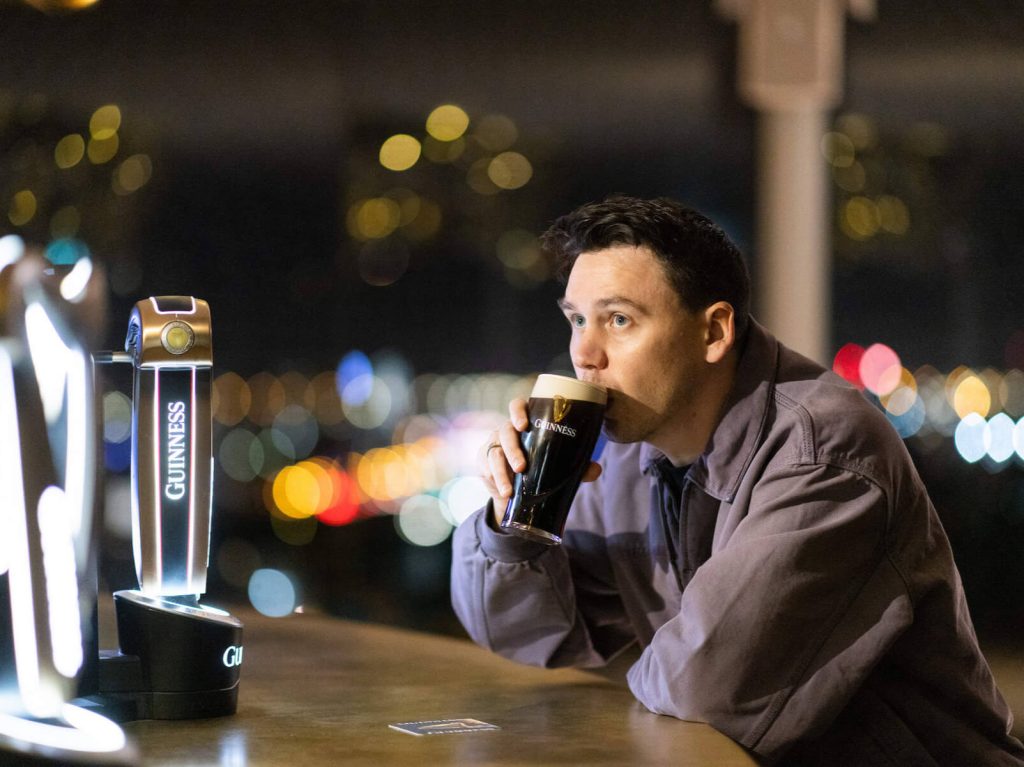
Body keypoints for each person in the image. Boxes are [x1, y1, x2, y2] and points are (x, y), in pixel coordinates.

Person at [450, 195, 1024, 766]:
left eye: (619, 319)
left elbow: (708, 688)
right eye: (577, 319)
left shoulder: (821, 452)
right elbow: (529, 637)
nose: (583, 353)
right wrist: (515, 522)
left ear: (714, 332)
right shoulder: (630, 454)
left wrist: (643, 665)